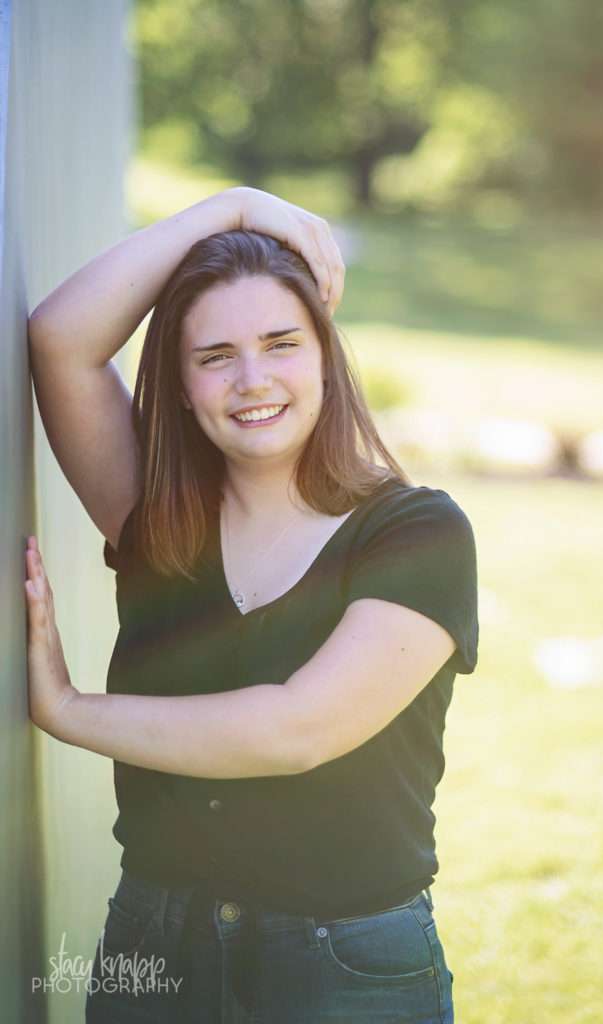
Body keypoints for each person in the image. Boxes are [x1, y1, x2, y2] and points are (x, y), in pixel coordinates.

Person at [25, 186, 479, 1023]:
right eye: (215, 356)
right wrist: (229, 210)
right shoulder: (155, 515)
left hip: (346, 960)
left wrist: (70, 711)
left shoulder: (417, 534)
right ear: (184, 385)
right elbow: (60, 339)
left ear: (324, 356)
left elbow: (293, 730)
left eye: (280, 343)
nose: (252, 379)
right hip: (155, 940)